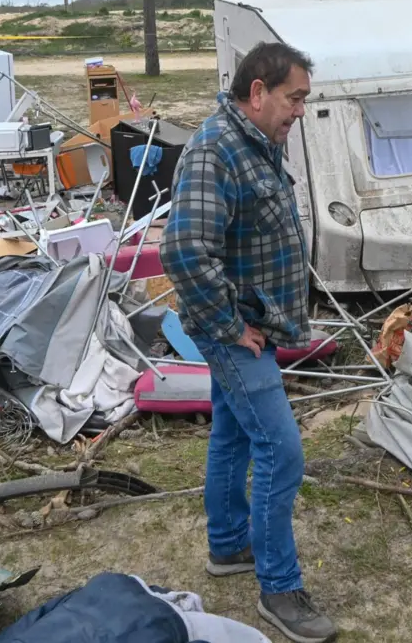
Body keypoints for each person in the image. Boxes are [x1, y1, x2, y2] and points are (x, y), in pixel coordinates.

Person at [160, 41, 338, 643]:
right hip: (233, 335)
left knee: (234, 435)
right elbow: (183, 250)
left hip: (246, 329)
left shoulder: (255, 144)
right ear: (257, 92)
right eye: (294, 98)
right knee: (281, 449)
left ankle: (228, 546)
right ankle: (280, 588)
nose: (299, 112)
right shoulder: (216, 149)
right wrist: (233, 325)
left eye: (305, 100)